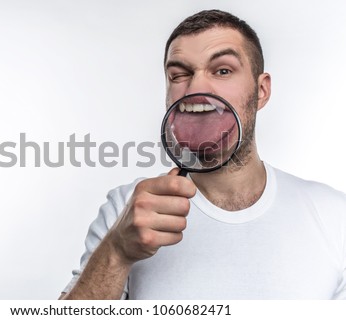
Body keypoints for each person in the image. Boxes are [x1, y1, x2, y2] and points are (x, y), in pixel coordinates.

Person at [60, 9, 346, 299]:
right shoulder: (126, 210)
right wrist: (117, 250)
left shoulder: (335, 216)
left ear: (260, 91)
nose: (195, 88)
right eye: (179, 74)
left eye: (222, 70)